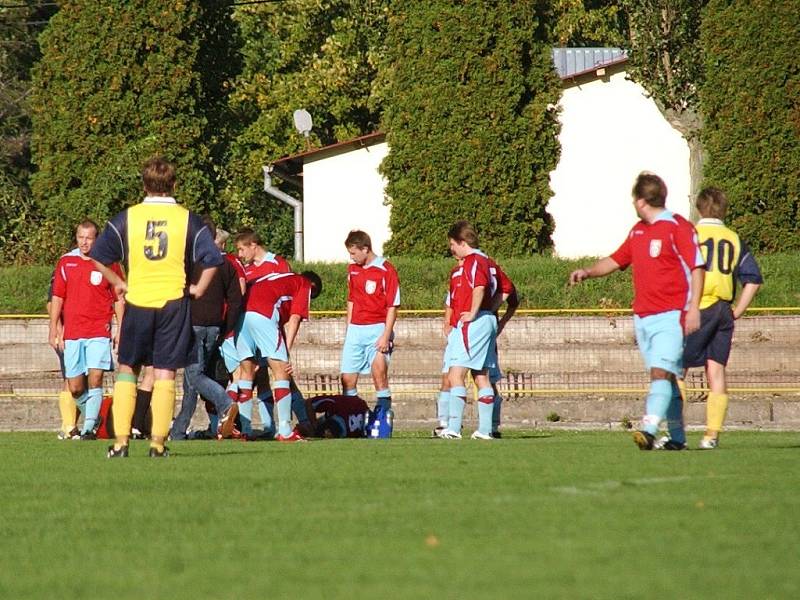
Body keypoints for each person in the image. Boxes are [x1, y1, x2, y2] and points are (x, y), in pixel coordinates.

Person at [90, 156, 223, 458]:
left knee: (128, 369)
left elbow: (98, 254)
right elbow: (213, 258)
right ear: (174, 184)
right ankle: (158, 444)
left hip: (138, 300)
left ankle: (121, 442)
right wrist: (199, 288)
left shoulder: (128, 217)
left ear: (144, 184)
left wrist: (117, 281)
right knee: (165, 373)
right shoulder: (188, 219)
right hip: (173, 302)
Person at [569, 172, 705, 451]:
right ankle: (678, 438)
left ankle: (648, 430)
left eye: (634, 199)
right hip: (643, 315)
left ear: (641, 201)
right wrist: (588, 272)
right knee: (666, 376)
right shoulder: (638, 230)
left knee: (660, 372)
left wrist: (693, 309)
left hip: (672, 314)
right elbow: (618, 259)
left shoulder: (678, 227)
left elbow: (697, 267)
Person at [681, 187, 762, 449]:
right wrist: (737, 310)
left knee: (675, 368)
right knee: (716, 370)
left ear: (698, 208)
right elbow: (753, 280)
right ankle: (711, 435)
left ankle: (674, 431)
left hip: (698, 307)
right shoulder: (733, 238)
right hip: (723, 309)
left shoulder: (691, 235)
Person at [48, 220, 124, 440]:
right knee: (75, 387)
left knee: (96, 378)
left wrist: (121, 328)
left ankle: (89, 428)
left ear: (96, 239)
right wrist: (54, 327)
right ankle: (94, 415)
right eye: (81, 237)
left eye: (89, 238)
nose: (84, 242)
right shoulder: (66, 262)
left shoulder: (108, 263)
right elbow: (57, 297)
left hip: (99, 330)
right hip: (72, 332)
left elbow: (119, 298)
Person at [170, 217, 243, 441]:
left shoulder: (187, 263)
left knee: (195, 375)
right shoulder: (225, 264)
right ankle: (179, 432)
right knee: (191, 381)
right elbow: (236, 300)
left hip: (192, 325)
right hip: (214, 328)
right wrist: (226, 328)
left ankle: (226, 404)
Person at [234, 270, 322, 442]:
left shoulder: (276, 277)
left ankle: (246, 430)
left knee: (247, 371)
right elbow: (295, 318)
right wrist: (286, 352)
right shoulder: (303, 284)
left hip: (241, 314)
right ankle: (285, 430)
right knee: (281, 371)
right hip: (264, 313)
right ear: (313, 287)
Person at [439, 221, 499, 440]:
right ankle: (485, 430)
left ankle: (453, 428)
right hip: (486, 320)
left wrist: (474, 313)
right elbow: (504, 290)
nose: (451, 249)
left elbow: (480, 286)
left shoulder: (475, 261)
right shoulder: (488, 262)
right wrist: (490, 312)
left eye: (452, 244)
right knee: (481, 375)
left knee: (456, 374)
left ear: (462, 242)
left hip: (474, 323)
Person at [340, 230, 400, 416]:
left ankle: (383, 417)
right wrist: (349, 328)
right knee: (347, 379)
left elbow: (393, 305)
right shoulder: (353, 270)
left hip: (377, 328)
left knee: (379, 373)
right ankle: (352, 417)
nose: (352, 257)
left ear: (365, 249)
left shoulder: (386, 269)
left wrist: (385, 335)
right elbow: (351, 300)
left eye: (354, 253)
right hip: (356, 330)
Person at [47, 246, 82, 439]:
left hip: (88, 332)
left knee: (83, 381)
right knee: (71, 379)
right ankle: (68, 426)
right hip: (69, 334)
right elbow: (52, 300)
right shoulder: (66, 263)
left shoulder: (100, 261)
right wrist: (58, 329)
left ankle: (73, 426)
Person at [305, 394, 370, 438]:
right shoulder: (337, 404)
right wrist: (313, 425)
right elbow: (309, 403)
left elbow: (309, 402)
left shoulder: (337, 404)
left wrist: (313, 426)